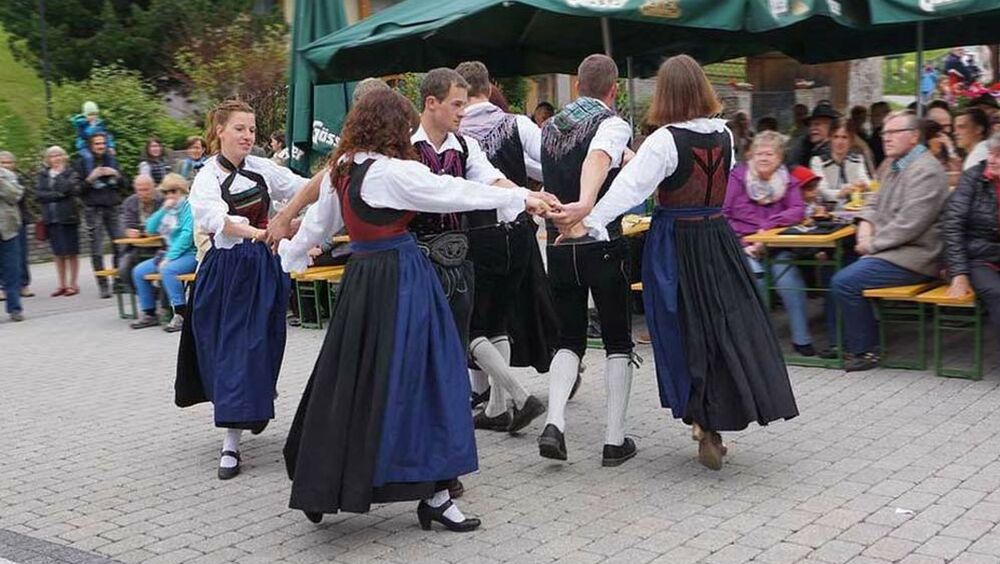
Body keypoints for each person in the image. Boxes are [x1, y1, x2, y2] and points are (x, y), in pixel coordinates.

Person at [276, 89, 553, 528]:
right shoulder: (392, 172)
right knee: (429, 380)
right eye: (405, 129)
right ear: (391, 129)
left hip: (362, 283)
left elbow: (316, 227)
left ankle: (324, 483)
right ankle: (436, 496)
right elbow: (453, 192)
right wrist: (521, 198)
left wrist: (288, 255)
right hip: (401, 281)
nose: (409, 136)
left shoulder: (343, 168)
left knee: (350, 380)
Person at [570, 54, 797, 470]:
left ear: (666, 93)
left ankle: (701, 418)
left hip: (674, 242)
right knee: (718, 328)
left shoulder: (664, 141)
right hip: (717, 239)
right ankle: (710, 422)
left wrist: (591, 221)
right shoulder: (724, 135)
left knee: (678, 330)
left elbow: (629, 188)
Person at [185, 100, 317, 480]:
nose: (247, 136)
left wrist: (334, 179)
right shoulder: (207, 177)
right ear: (220, 131)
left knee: (260, 345)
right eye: (240, 128)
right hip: (225, 273)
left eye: (252, 130)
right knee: (229, 351)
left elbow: (303, 189)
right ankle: (231, 439)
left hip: (262, 270)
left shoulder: (262, 168)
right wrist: (261, 232)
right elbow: (218, 220)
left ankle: (251, 409)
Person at [537, 54, 638, 467]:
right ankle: (614, 440)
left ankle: (554, 422)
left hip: (558, 246)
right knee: (617, 340)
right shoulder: (612, 124)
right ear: (614, 90)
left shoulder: (548, 127)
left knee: (569, 339)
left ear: (577, 86)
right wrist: (586, 201)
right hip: (603, 243)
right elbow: (598, 156)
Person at [455, 60, 558, 431]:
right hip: (518, 229)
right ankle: (497, 407)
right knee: (501, 319)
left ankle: (505, 396)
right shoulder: (517, 124)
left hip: (473, 235)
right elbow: (550, 157)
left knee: (472, 323)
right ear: (490, 87)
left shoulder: (453, 136)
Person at [829, 111, 950, 372]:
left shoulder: (926, 170)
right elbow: (873, 199)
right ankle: (837, 343)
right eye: (885, 133)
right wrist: (865, 226)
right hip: (892, 250)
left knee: (844, 282)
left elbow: (910, 224)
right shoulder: (897, 165)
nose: (886, 138)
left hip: (915, 257)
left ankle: (865, 350)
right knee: (836, 268)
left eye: (894, 133)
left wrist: (871, 245)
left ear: (914, 137)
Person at [724, 131, 815, 356]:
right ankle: (760, 343)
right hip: (743, 245)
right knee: (758, 278)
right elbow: (723, 214)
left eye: (769, 154)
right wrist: (745, 241)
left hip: (775, 245)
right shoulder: (737, 178)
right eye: (759, 153)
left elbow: (797, 210)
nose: (763, 158)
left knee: (789, 281)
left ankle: (802, 339)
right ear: (751, 155)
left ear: (780, 157)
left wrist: (768, 227)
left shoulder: (787, 180)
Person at [942, 134, 1000, 344]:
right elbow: (952, 226)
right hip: (974, 256)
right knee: (997, 292)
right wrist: (959, 273)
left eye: (999, 155)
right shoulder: (973, 178)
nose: (992, 159)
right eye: (991, 153)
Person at [130, 174, 196, 332]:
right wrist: (163, 210)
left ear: (182, 190)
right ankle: (149, 313)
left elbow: (187, 236)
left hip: (190, 254)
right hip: (169, 253)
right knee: (138, 271)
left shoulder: (189, 207)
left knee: (168, 270)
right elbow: (150, 228)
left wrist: (169, 257)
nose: (169, 195)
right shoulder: (169, 210)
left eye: (173, 191)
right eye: (166, 192)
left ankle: (181, 314)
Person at [74, 132, 126, 298]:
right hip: (93, 209)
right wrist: (91, 178)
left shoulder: (112, 160)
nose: (101, 146)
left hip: (113, 206)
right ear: (91, 146)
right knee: (96, 249)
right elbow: (76, 189)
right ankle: (103, 284)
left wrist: (116, 174)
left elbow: (125, 184)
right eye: (97, 144)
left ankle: (118, 281)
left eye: (103, 143)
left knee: (120, 245)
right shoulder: (81, 163)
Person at [34, 146, 82, 297]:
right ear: (47, 159)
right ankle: (61, 284)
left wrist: (59, 176)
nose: (56, 158)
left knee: (72, 251)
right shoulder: (43, 174)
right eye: (52, 156)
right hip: (51, 218)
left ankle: (73, 284)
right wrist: (58, 195)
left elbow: (70, 189)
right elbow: (39, 195)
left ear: (64, 157)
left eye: (58, 155)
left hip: (68, 217)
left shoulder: (71, 172)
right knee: (58, 252)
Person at [811, 121, 873, 209]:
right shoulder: (818, 161)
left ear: (851, 140)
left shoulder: (858, 159)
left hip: (856, 209)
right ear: (830, 138)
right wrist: (841, 192)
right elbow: (822, 190)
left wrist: (864, 185)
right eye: (836, 137)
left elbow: (866, 181)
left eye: (844, 137)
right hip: (828, 210)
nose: (840, 142)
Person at [118, 175, 163, 291]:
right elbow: (127, 224)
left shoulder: (163, 200)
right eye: (139, 190)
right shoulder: (130, 202)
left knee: (164, 269)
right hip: (137, 247)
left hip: (161, 247)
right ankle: (147, 294)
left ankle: (159, 296)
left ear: (154, 187)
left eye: (146, 189)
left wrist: (142, 230)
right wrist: (129, 231)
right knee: (124, 268)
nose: (143, 193)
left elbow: (166, 225)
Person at [0, 151, 32, 299]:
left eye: (9, 162)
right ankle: (3, 286)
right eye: (2, 163)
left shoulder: (17, 179)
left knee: (21, 255)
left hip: (18, 221)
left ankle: (23, 284)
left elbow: (18, 197)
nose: (6, 165)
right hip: (2, 223)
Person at [0, 165, 24, 321]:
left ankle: (15, 308)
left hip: (8, 229)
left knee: (12, 271)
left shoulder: (7, 175)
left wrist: (1, 183)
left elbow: (16, 196)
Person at [787, 102, 840, 167]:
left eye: (817, 124)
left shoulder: (834, 151)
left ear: (831, 127)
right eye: (810, 125)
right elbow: (791, 163)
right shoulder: (807, 147)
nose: (812, 128)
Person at [71, 101, 116, 168]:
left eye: (95, 114)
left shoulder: (99, 123)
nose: (93, 117)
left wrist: (110, 146)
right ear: (85, 115)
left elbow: (106, 135)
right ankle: (90, 173)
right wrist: (92, 127)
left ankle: (111, 172)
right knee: (88, 157)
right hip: (84, 146)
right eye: (90, 115)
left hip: (97, 145)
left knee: (110, 155)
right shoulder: (81, 125)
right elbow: (85, 136)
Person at [869, 101, 891, 167]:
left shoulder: (890, 134)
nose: (872, 119)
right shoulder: (876, 133)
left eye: (877, 115)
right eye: (871, 116)